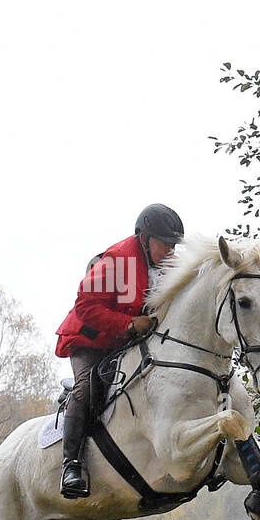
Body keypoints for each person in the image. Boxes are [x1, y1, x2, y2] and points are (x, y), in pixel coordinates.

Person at [54, 204, 184, 498]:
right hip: (88, 341)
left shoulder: (168, 265)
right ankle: (71, 465)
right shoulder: (117, 260)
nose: (170, 251)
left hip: (123, 343)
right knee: (87, 388)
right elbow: (85, 308)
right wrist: (127, 323)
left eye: (173, 245)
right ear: (144, 238)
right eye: (165, 243)